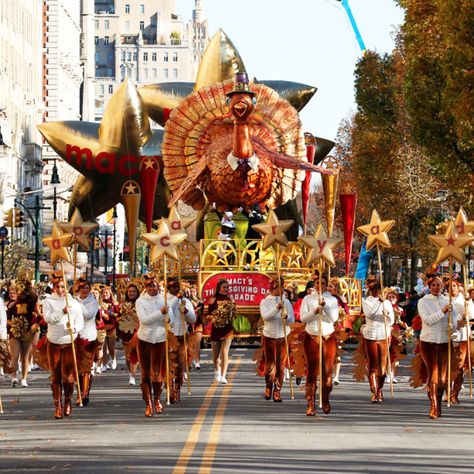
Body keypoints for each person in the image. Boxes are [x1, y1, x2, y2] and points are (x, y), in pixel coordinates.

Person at [42, 274, 84, 419]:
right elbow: (48, 319)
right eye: (57, 286)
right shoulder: (48, 301)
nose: (60, 289)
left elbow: (80, 321)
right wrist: (62, 312)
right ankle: (57, 405)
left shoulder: (74, 302)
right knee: (55, 376)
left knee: (68, 376)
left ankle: (67, 401)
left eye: (62, 286)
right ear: (53, 287)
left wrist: (75, 328)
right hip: (54, 342)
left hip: (69, 342)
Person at [417, 274, 458, 419]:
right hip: (429, 342)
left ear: (442, 287)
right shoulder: (423, 302)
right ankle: (434, 406)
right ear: (429, 287)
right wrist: (443, 311)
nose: (436, 287)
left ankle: (438, 404)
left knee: (442, 377)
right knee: (433, 373)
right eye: (433, 285)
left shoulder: (448, 301)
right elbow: (428, 320)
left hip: (445, 343)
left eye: (438, 285)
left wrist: (452, 326)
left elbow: (454, 321)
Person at [300, 274, 339, 415]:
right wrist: (315, 311)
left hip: (328, 336)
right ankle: (310, 403)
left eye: (322, 283)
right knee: (312, 371)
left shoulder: (332, 299)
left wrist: (325, 307)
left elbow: (334, 318)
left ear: (326, 284)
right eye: (317, 283)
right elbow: (303, 318)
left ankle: (326, 398)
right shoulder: (308, 299)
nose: (319, 285)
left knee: (327, 371)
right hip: (312, 336)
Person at [135, 273, 172, 417]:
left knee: (156, 373)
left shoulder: (164, 300)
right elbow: (144, 320)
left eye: (154, 286)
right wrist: (160, 313)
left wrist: (168, 317)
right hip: (144, 339)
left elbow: (170, 318)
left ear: (158, 287)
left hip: (160, 339)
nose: (152, 288)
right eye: (149, 286)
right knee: (145, 374)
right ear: (145, 287)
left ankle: (156, 399)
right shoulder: (140, 301)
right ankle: (148, 402)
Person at [260, 277, 295, 402]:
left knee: (281, 365)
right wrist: (276, 308)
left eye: (282, 287)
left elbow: (292, 321)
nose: (281, 290)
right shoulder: (265, 301)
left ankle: (277, 390)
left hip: (282, 335)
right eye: (278, 287)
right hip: (270, 336)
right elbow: (266, 316)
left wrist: (287, 316)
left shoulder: (287, 302)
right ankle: (268, 386)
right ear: (273, 288)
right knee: (270, 363)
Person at [361, 275, 394, 403]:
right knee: (373, 364)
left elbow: (391, 321)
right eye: (375, 290)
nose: (378, 293)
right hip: (371, 335)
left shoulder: (387, 303)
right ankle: (373, 389)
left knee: (382, 366)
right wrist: (379, 302)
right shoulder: (366, 301)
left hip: (383, 335)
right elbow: (370, 314)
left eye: (379, 290)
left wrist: (388, 315)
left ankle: (379, 389)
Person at [167, 277, 196, 402]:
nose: (175, 288)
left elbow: (193, 319)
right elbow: (167, 310)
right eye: (172, 286)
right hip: (166, 335)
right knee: (168, 364)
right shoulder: (164, 300)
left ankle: (177, 387)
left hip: (180, 335)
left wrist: (187, 312)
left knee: (179, 364)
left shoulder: (185, 301)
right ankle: (169, 387)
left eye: (176, 286)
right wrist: (176, 299)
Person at [6, 277, 38, 387]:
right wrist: (14, 325)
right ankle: (14, 377)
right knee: (15, 356)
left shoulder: (31, 302)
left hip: (27, 331)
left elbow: (34, 297)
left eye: (20, 290)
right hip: (14, 333)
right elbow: (8, 319)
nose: (18, 293)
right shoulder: (11, 304)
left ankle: (24, 378)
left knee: (24, 356)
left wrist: (29, 285)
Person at [75, 278, 99, 406]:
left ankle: (85, 393)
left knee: (86, 367)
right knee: (76, 367)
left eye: (87, 288)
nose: (85, 290)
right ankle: (78, 391)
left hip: (88, 336)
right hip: (75, 336)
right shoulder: (72, 300)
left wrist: (78, 305)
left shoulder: (93, 302)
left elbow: (89, 315)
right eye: (82, 287)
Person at [207, 279, 235, 384]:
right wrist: (213, 318)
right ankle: (217, 370)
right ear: (219, 288)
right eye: (224, 287)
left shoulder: (231, 299)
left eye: (227, 287)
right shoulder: (213, 299)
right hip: (216, 329)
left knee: (224, 352)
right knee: (215, 356)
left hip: (228, 329)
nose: (226, 289)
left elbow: (234, 312)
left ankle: (223, 376)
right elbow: (208, 314)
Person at [450, 280, 473, 404]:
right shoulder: (443, 299)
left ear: (459, 288)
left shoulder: (465, 300)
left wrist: (466, 315)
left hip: (462, 336)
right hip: (446, 336)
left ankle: (454, 393)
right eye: (449, 286)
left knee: (459, 366)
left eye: (454, 286)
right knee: (447, 365)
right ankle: (446, 392)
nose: (452, 288)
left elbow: (472, 315)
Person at [117, 283, 140, 386]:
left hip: (138, 332)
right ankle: (131, 372)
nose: (132, 293)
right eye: (130, 291)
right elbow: (117, 317)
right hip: (126, 332)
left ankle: (132, 376)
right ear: (127, 292)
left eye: (134, 291)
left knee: (135, 355)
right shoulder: (122, 305)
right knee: (127, 357)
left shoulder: (140, 303)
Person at [386, 288, 408, 384]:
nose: (391, 298)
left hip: (398, 333)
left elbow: (404, 323)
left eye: (393, 297)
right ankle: (387, 374)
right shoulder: (384, 308)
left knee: (396, 356)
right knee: (387, 354)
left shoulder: (401, 309)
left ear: (396, 298)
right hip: (387, 332)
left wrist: (402, 323)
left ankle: (393, 375)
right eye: (389, 297)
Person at [99, 286, 118, 371]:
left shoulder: (114, 303)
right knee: (103, 347)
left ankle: (114, 359)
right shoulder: (98, 303)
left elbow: (118, 314)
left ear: (110, 294)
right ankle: (104, 364)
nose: (105, 294)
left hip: (111, 327)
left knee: (111, 347)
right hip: (102, 327)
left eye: (106, 293)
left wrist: (109, 313)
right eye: (103, 293)